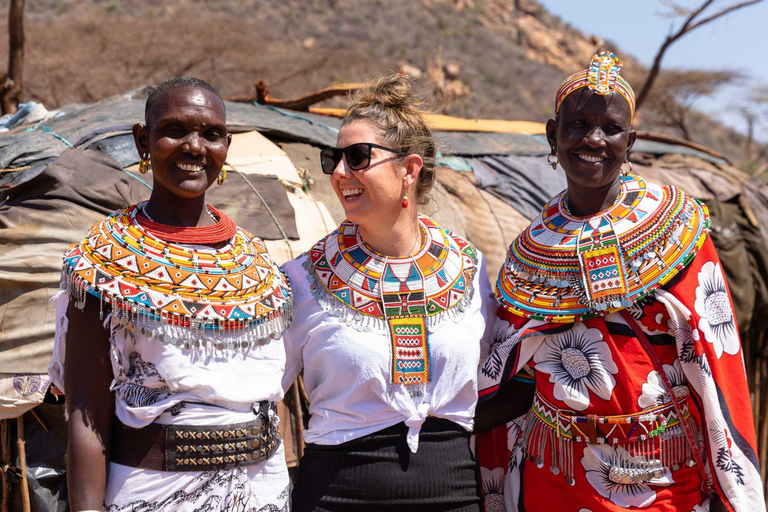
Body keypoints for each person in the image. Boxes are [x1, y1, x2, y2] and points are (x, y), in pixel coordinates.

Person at [476, 52, 764, 512]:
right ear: (554, 135)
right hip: (556, 477)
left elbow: (715, 365)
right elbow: (512, 373)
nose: (594, 139)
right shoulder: (532, 251)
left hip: (661, 482)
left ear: (629, 141)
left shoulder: (673, 228)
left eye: (611, 128)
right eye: (578, 124)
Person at [47, 77, 293, 511]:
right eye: (175, 130)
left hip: (261, 491)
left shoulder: (257, 262)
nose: (195, 147)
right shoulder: (104, 258)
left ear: (226, 146)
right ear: (144, 142)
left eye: (211, 134)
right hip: (154, 493)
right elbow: (87, 413)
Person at [281, 73, 496, 511]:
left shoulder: (472, 271)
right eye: (333, 159)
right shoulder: (301, 279)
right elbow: (258, 394)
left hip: (455, 493)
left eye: (358, 157)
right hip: (335, 494)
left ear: (409, 169)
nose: (340, 173)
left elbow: (499, 381)